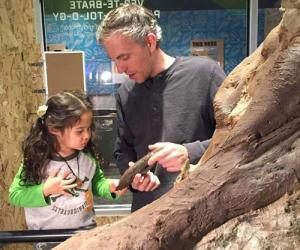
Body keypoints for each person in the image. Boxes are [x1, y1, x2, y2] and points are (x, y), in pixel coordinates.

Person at [96, 4, 226, 211]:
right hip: (145, 213)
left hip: (201, 208)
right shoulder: (125, 92)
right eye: (114, 60)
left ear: (150, 42)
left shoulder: (205, 74)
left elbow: (237, 137)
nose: (120, 68)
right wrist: (134, 177)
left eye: (124, 57)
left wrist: (189, 152)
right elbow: (123, 151)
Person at [9, 91, 127, 249]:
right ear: (54, 129)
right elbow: (15, 195)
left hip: (85, 236)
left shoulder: (88, 156)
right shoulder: (36, 160)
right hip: (49, 240)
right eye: (79, 131)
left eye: (88, 129)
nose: (86, 136)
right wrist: (45, 190)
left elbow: (97, 182)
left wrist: (110, 188)